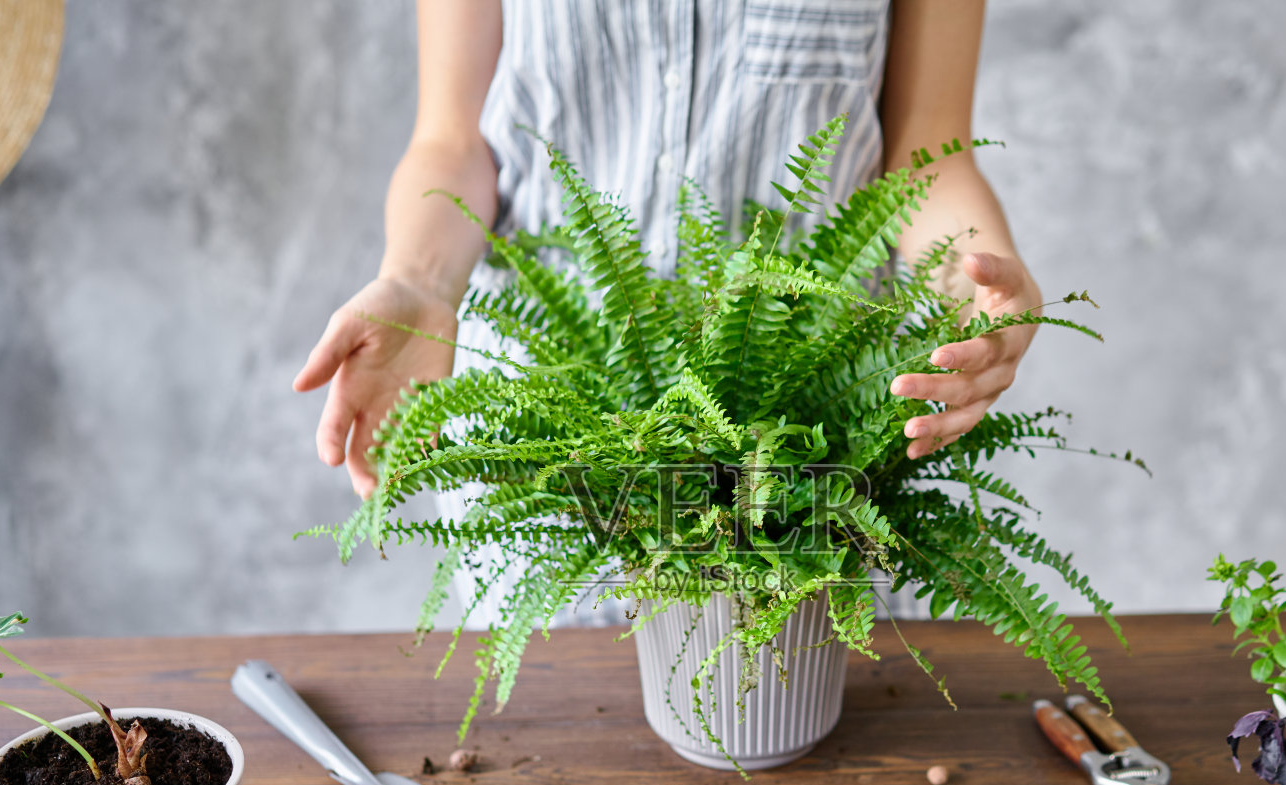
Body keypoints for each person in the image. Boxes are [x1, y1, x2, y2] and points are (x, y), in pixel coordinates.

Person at [296, 0, 1041, 500]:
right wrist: (418, 283)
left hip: (805, 462)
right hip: (555, 455)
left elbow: (927, 158)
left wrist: (971, 291)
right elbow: (451, 141)